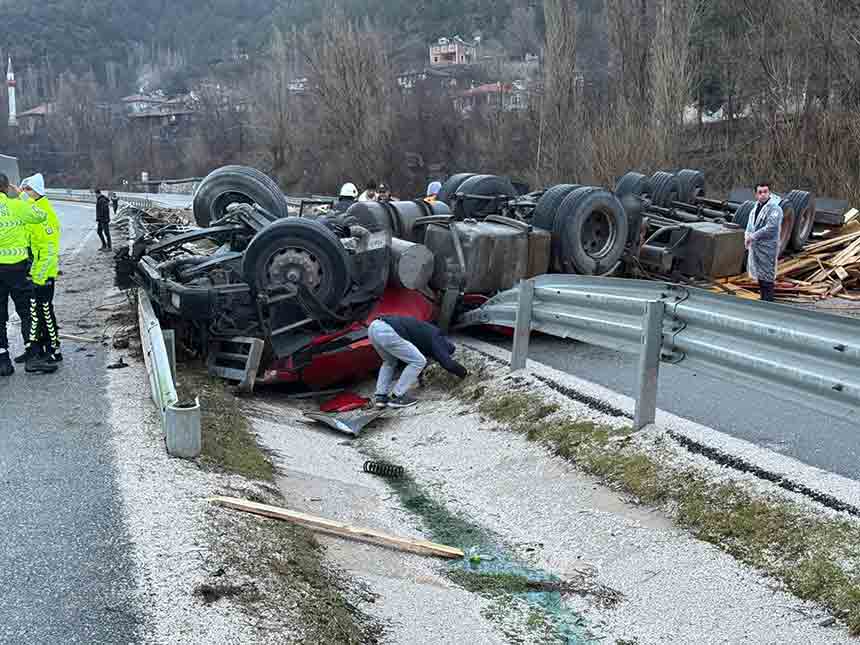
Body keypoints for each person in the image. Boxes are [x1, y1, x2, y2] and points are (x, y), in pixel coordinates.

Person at [0, 173, 48, 376]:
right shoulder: (17, 206)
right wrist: (22, 195)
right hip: (17, 269)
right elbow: (40, 215)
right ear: (6, 187)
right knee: (27, 311)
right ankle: (32, 357)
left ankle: (3, 361)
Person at [368, 315, 468, 409]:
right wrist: (465, 374)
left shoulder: (426, 334)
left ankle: (380, 397)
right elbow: (448, 364)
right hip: (387, 331)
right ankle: (397, 396)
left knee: (389, 362)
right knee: (419, 361)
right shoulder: (437, 337)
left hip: (374, 328)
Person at [15, 174, 61, 373]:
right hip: (36, 271)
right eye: (24, 189)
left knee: (45, 311)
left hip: (44, 273)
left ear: (36, 190)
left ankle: (53, 349)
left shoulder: (44, 212)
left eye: (28, 189)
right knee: (39, 312)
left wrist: (40, 277)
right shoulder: (35, 208)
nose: (25, 192)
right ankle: (41, 349)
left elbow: (49, 250)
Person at [745, 181, 783, 302]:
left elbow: (771, 228)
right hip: (756, 247)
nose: (763, 194)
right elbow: (750, 225)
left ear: (769, 193)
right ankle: (763, 300)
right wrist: (747, 236)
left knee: (767, 278)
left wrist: (753, 236)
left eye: (765, 192)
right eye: (760, 192)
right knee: (760, 277)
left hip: (768, 248)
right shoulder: (755, 208)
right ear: (756, 195)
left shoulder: (775, 209)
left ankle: (768, 302)